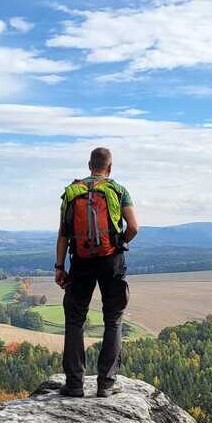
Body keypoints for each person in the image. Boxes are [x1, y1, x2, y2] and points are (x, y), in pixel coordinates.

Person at [55, 147, 139, 398]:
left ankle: (74, 384)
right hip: (111, 260)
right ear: (109, 167)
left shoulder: (72, 192)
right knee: (113, 320)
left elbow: (63, 234)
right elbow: (134, 227)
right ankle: (106, 384)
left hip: (80, 260)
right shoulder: (118, 190)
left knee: (74, 320)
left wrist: (60, 267)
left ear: (89, 165)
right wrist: (119, 243)